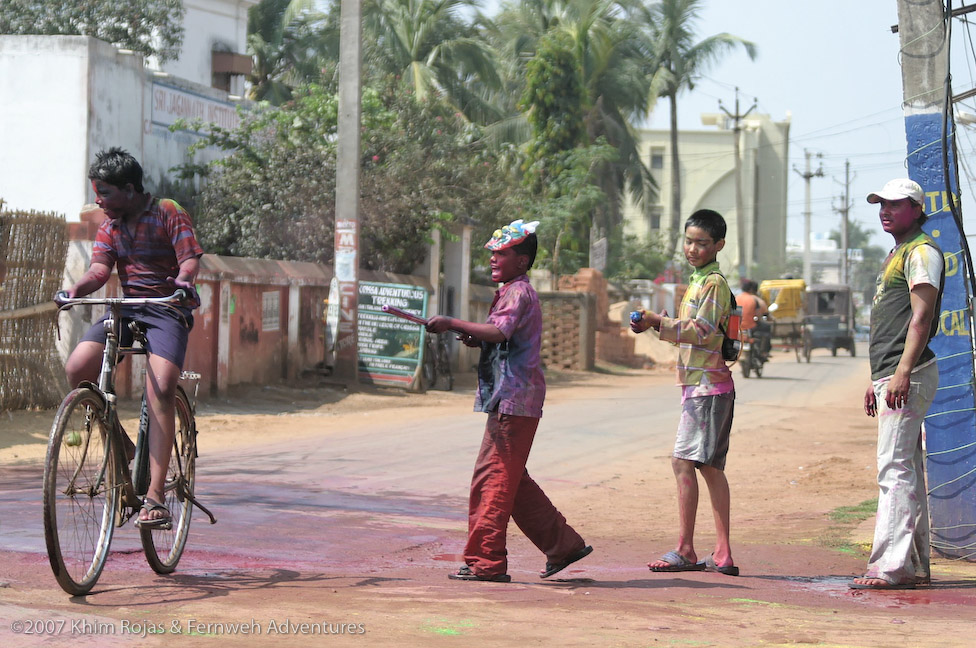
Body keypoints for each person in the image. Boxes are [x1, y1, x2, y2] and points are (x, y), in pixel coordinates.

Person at [426, 219, 592, 582]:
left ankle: (485, 562)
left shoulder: (517, 292)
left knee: (493, 480)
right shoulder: (513, 292)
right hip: (514, 397)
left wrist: (453, 323)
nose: (493, 259)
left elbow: (499, 330)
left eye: (501, 254)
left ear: (522, 261)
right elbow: (502, 337)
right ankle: (563, 545)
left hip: (514, 399)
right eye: (493, 253)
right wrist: (477, 338)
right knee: (511, 480)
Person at [61, 147, 203, 529]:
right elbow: (98, 270)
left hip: (168, 309)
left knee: (161, 388)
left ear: (129, 189)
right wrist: (75, 291)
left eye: (104, 193)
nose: (98, 201)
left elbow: (190, 257)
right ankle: (124, 447)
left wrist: (183, 280)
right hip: (127, 310)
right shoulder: (110, 226)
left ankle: (155, 497)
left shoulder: (168, 211)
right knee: (78, 368)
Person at [631, 209, 739, 576]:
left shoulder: (713, 283)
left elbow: (703, 331)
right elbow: (695, 330)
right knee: (708, 466)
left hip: (708, 386)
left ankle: (686, 549)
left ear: (719, 245)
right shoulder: (698, 281)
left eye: (701, 243)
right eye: (689, 241)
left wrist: (658, 322)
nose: (692, 249)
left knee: (684, 462)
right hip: (701, 385)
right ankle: (721, 553)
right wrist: (654, 324)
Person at [850, 178, 943, 590]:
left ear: (917, 210)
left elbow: (921, 318)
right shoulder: (899, 252)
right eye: (881, 204)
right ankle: (915, 565)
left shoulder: (921, 252)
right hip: (893, 373)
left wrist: (903, 371)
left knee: (894, 469)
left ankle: (891, 566)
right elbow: (894, 320)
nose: (885, 211)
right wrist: (878, 377)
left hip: (910, 373)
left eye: (895, 204)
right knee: (906, 469)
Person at [740, 280, 770, 358]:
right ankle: (764, 351)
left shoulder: (736, 298)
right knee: (767, 327)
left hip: (737, 326)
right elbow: (759, 316)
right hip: (750, 326)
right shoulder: (754, 299)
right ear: (751, 289)